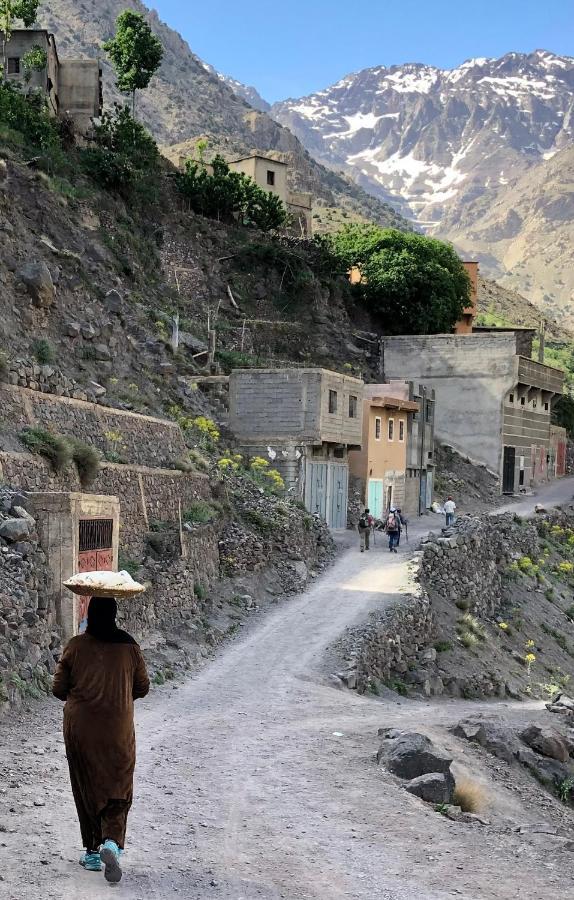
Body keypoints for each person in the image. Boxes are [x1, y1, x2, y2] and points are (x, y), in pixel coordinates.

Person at [53, 597, 150, 884]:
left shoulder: (75, 645)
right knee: (118, 786)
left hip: (80, 729)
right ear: (114, 614)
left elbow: (58, 688)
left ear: (89, 614)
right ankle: (111, 843)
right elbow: (143, 687)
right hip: (117, 729)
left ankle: (93, 852)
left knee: (86, 787)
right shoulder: (130, 647)